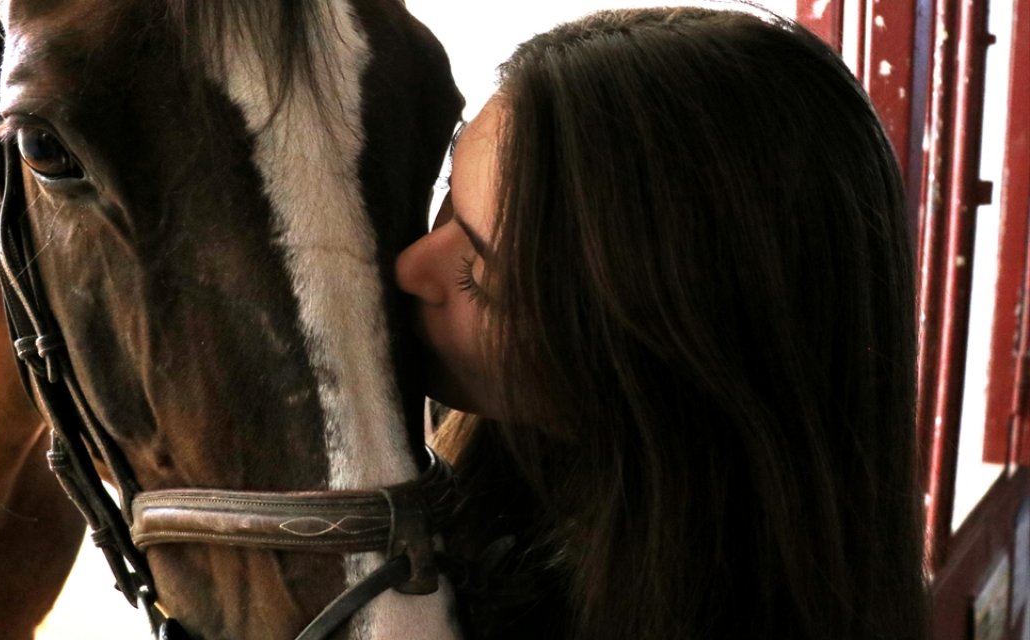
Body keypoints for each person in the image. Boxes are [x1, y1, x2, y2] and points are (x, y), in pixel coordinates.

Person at [395, 6, 927, 639]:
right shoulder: (501, 480)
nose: (408, 268)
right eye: (446, 201)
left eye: (479, 277)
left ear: (662, 354)